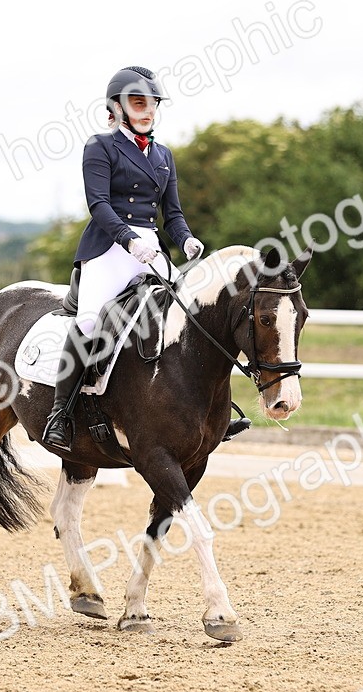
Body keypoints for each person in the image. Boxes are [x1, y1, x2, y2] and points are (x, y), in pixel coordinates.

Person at [41, 65, 249, 450]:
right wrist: (127, 239)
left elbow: (172, 214)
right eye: (139, 102)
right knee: (89, 322)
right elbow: (98, 204)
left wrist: (186, 240)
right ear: (116, 108)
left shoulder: (163, 155)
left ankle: (210, 411)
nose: (148, 109)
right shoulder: (99, 147)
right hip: (109, 248)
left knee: (190, 317)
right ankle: (61, 414)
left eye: (152, 103)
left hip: (152, 249)